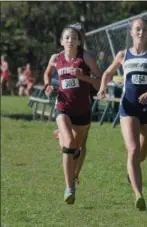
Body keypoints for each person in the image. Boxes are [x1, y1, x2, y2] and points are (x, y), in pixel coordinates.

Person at [97, 17, 147, 211]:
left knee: (142, 154)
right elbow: (107, 73)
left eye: (145, 30)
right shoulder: (123, 55)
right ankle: (139, 194)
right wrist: (102, 88)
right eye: (137, 30)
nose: (141, 33)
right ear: (131, 32)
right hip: (128, 107)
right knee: (132, 151)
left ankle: (132, 172)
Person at [44, 25, 100, 205]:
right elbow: (47, 74)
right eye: (66, 37)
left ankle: (74, 175)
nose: (69, 41)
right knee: (69, 144)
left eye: (73, 37)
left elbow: (100, 82)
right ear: (61, 41)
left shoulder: (87, 57)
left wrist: (83, 77)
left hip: (83, 110)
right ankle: (69, 188)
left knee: (79, 147)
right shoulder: (56, 58)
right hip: (63, 107)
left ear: (79, 41)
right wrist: (48, 86)